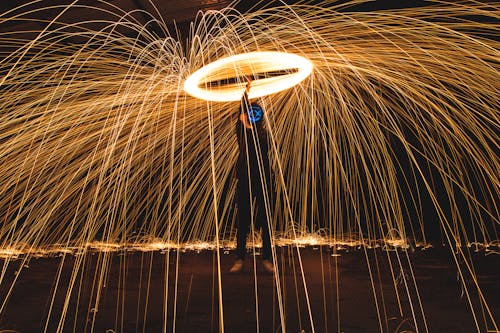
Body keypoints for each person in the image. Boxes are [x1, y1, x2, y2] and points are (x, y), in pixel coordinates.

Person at [230, 77, 274, 274]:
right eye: (248, 114)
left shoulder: (263, 134)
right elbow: (241, 110)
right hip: (245, 181)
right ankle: (239, 258)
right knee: (243, 222)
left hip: (263, 180)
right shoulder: (242, 132)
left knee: (266, 222)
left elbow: (261, 144)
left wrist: (249, 122)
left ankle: (267, 258)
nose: (250, 116)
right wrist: (247, 90)